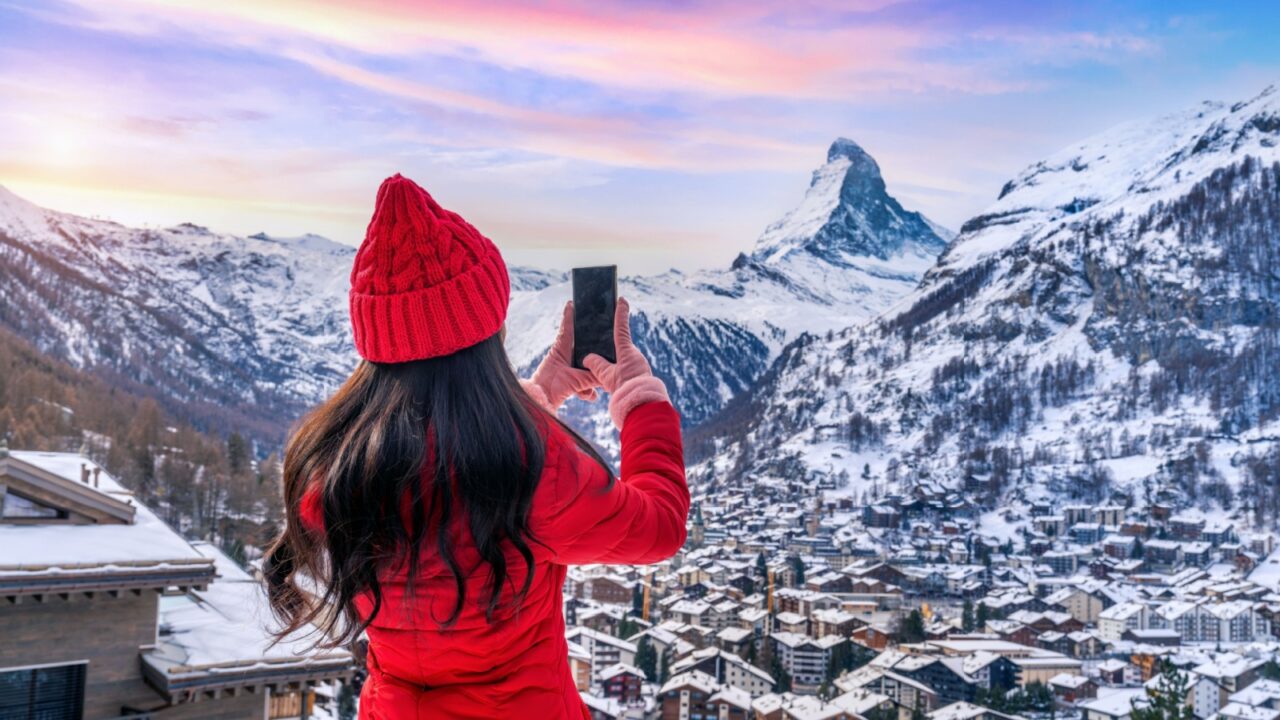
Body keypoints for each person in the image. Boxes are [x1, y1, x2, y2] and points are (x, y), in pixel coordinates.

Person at [263, 174, 689, 719]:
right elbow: (658, 527)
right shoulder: (530, 470)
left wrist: (540, 396)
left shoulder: (337, 470)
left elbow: (438, 455)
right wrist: (638, 398)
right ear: (488, 333)